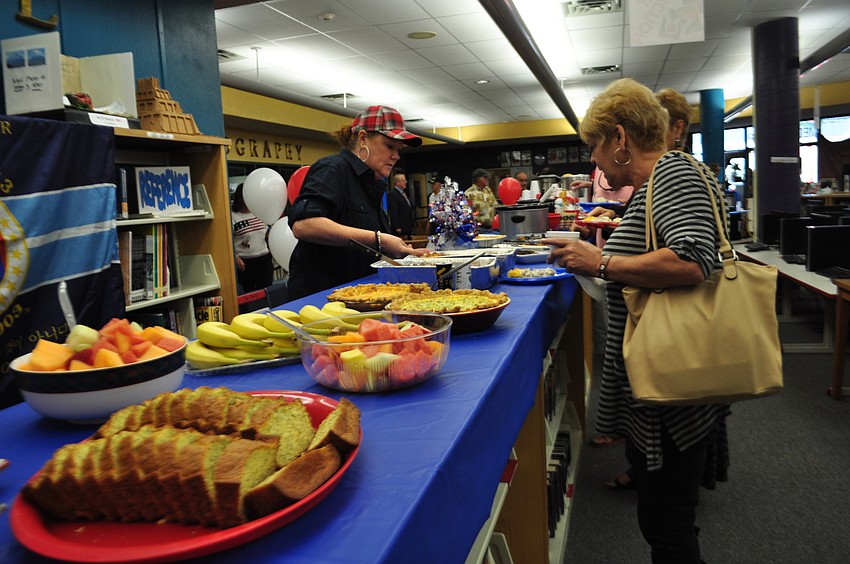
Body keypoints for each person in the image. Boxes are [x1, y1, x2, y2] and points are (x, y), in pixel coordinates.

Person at [543, 78, 729, 563]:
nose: (595, 161)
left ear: (620, 139)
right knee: (667, 517)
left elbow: (693, 260)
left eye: (595, 146)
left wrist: (601, 263)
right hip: (672, 379)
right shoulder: (661, 180)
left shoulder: (673, 173)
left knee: (666, 524)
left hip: (675, 384)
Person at [286, 105, 426, 300]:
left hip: (357, 297)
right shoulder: (332, 169)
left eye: (398, 149)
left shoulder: (371, 183)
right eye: (389, 146)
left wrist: (403, 253)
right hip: (321, 301)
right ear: (362, 139)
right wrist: (380, 239)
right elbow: (304, 225)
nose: (396, 156)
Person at [231, 183, 274, 293]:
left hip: (264, 258)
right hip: (245, 263)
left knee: (266, 292)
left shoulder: (259, 212)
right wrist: (235, 257)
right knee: (249, 294)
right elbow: (227, 240)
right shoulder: (232, 216)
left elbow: (267, 233)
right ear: (240, 199)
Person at [387, 173, 415, 239]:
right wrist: (397, 226)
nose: (405, 182)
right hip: (401, 228)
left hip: (407, 226)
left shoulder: (403, 193)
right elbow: (393, 211)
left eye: (405, 181)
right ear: (397, 182)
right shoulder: (392, 194)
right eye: (403, 181)